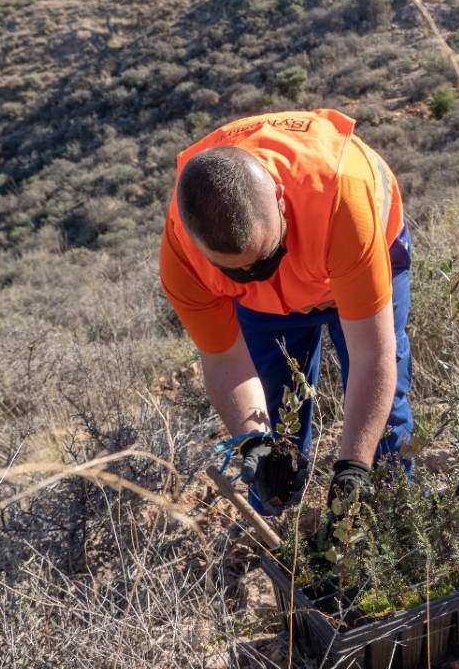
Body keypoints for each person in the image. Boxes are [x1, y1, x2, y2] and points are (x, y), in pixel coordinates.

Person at [159, 109, 412, 516]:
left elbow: (373, 355)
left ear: (279, 198)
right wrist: (253, 441)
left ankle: (393, 518)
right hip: (271, 306)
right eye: (235, 271)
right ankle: (281, 537)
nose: (257, 275)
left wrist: (352, 468)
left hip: (358, 255)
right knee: (272, 429)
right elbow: (226, 361)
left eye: (266, 257)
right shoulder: (182, 258)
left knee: (382, 419)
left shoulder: (341, 198)